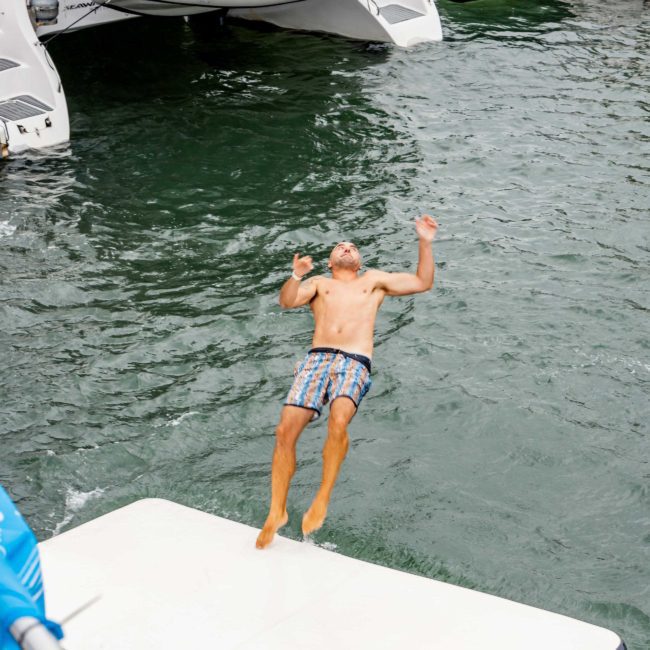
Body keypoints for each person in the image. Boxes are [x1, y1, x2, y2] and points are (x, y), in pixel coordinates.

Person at [255, 215, 439, 549]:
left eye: (352, 247)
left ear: (358, 261)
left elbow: (422, 282)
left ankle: (322, 496)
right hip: (316, 360)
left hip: (353, 361)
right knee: (284, 431)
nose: (346, 247)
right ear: (329, 261)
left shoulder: (374, 281)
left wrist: (424, 241)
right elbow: (286, 301)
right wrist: (296, 275)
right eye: (341, 246)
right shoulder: (319, 285)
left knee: (339, 421)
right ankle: (276, 511)